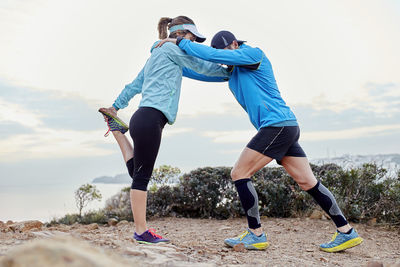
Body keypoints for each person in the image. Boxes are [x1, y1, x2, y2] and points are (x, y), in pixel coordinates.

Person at [156, 30, 363, 252]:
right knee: (307, 181)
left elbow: (211, 56)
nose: (222, 57)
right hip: (284, 127)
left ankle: (255, 234)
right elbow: (199, 70)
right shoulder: (234, 70)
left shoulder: (253, 55)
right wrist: (169, 57)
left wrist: (178, 41)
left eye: (224, 51)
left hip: (277, 126)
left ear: (235, 44)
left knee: (239, 173)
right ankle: (346, 231)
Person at [99, 16, 229, 244]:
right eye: (192, 38)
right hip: (150, 118)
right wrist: (230, 71)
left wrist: (116, 106)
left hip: (145, 118)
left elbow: (134, 85)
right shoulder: (171, 49)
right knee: (141, 178)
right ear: (181, 34)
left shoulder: (155, 55)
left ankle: (118, 131)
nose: (194, 43)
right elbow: (201, 65)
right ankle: (141, 231)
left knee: (137, 172)